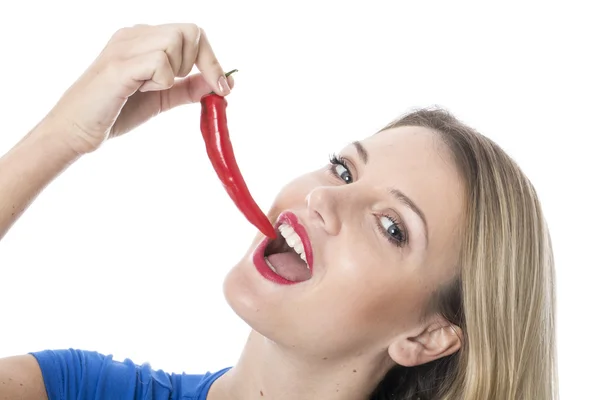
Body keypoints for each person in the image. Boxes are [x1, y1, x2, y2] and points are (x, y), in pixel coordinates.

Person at [0, 23, 558, 400]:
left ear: (427, 336)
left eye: (392, 227)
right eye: (343, 170)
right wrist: (63, 136)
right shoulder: (79, 388)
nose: (324, 198)